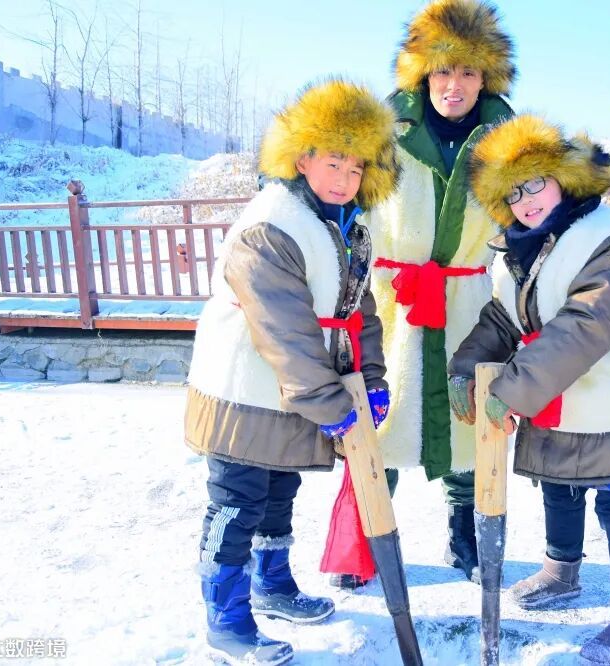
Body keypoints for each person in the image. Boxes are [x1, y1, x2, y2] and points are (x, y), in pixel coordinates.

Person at [449, 114, 610, 665]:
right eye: (513, 193)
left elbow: (585, 324)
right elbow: (506, 315)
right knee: (558, 484)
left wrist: (516, 387)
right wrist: (467, 365)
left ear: (563, 178)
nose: (525, 201)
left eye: (535, 183)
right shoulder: (527, 243)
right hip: (559, 387)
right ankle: (561, 571)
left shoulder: (606, 238)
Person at [183, 79, 399, 664]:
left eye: (355, 168)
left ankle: (272, 584)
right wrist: (332, 405)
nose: (344, 179)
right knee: (236, 501)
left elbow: (357, 308)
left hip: (295, 390)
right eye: (333, 163)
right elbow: (286, 329)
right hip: (245, 387)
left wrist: (372, 380)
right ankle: (226, 619)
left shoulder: (342, 224)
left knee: (281, 487)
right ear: (301, 158)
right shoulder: (271, 225)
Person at [359, 0, 515, 588]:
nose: (454, 85)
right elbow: (339, 195)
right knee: (381, 417)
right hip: (392, 299)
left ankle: (463, 536)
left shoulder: (505, 143)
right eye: (443, 71)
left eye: (468, 72)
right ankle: (369, 538)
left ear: (485, 79)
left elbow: (532, 215)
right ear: (423, 75)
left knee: (465, 415)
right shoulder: (383, 134)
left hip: (465, 297)